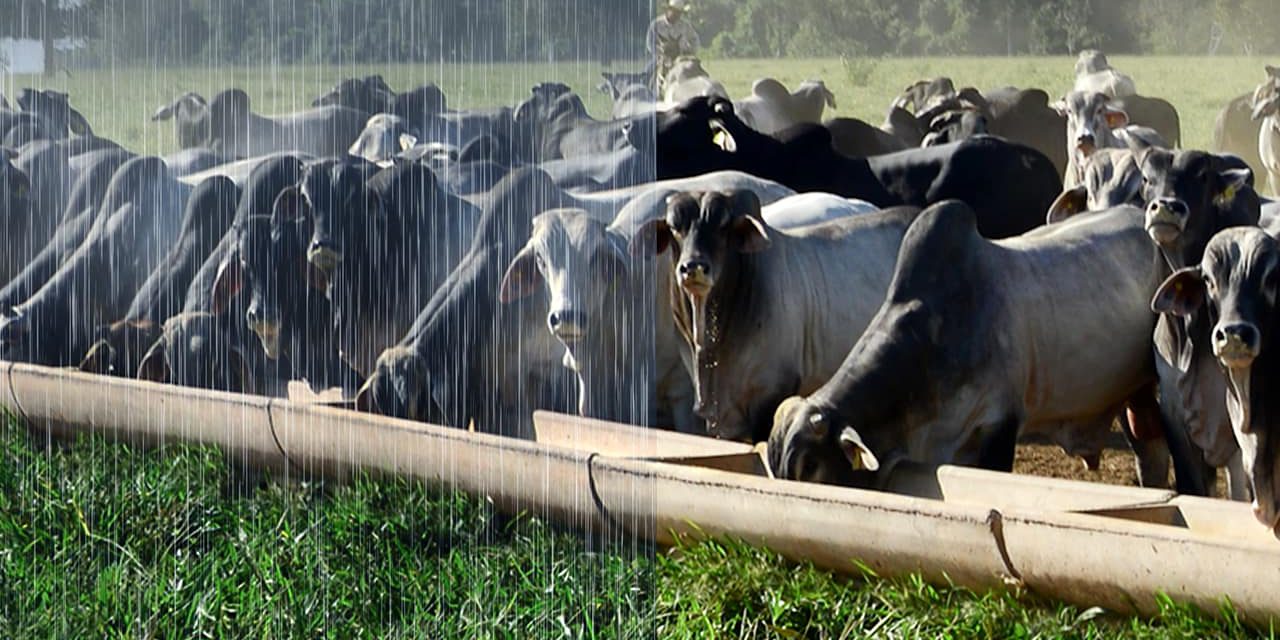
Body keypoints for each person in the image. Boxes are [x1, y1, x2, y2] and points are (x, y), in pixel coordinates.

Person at [645, 0, 700, 92]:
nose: (677, 15)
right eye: (675, 12)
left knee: (697, 71)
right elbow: (650, 42)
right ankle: (646, 92)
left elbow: (695, 39)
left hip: (681, 56)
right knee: (648, 71)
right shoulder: (656, 24)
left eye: (679, 13)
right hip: (661, 56)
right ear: (668, 10)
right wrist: (657, 53)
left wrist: (691, 51)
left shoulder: (685, 25)